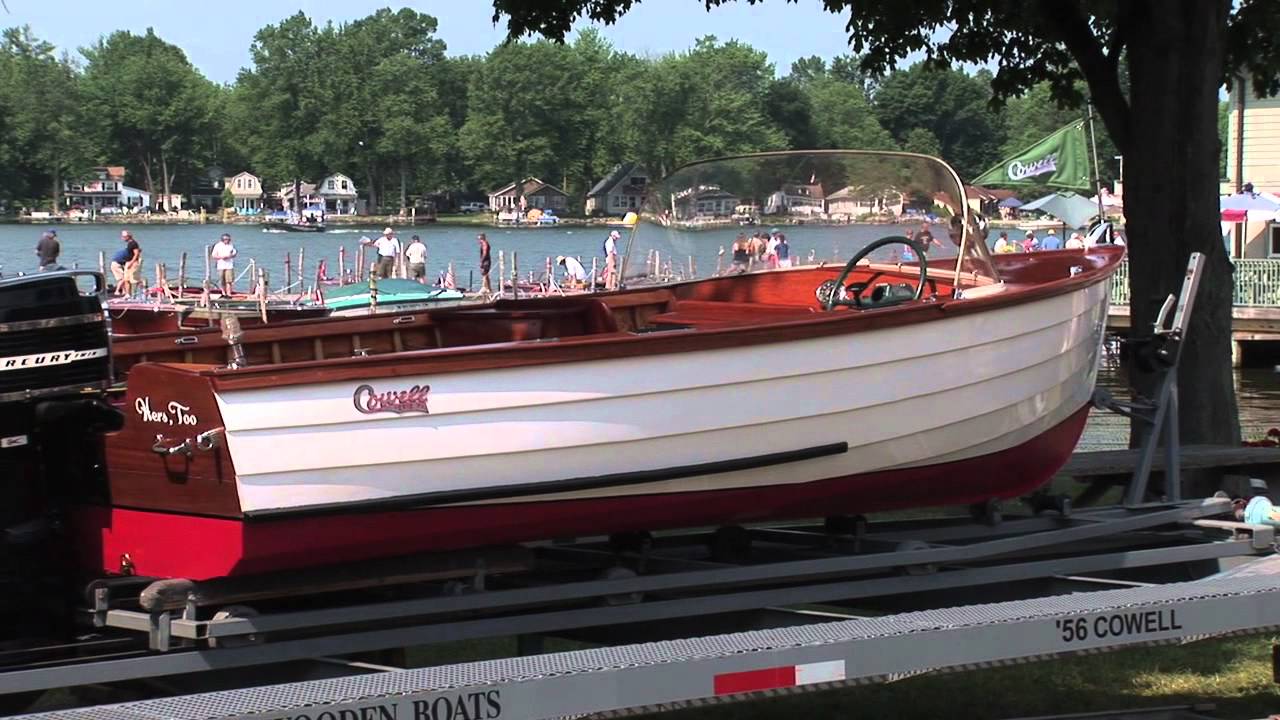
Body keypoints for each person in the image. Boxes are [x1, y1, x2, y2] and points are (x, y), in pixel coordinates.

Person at [112, 230, 141, 296]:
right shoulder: (129, 244)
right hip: (128, 262)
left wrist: (131, 262)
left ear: (128, 236)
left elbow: (136, 254)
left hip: (132, 262)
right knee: (126, 279)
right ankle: (128, 294)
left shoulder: (133, 243)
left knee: (134, 279)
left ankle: (138, 292)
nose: (122, 238)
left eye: (124, 237)